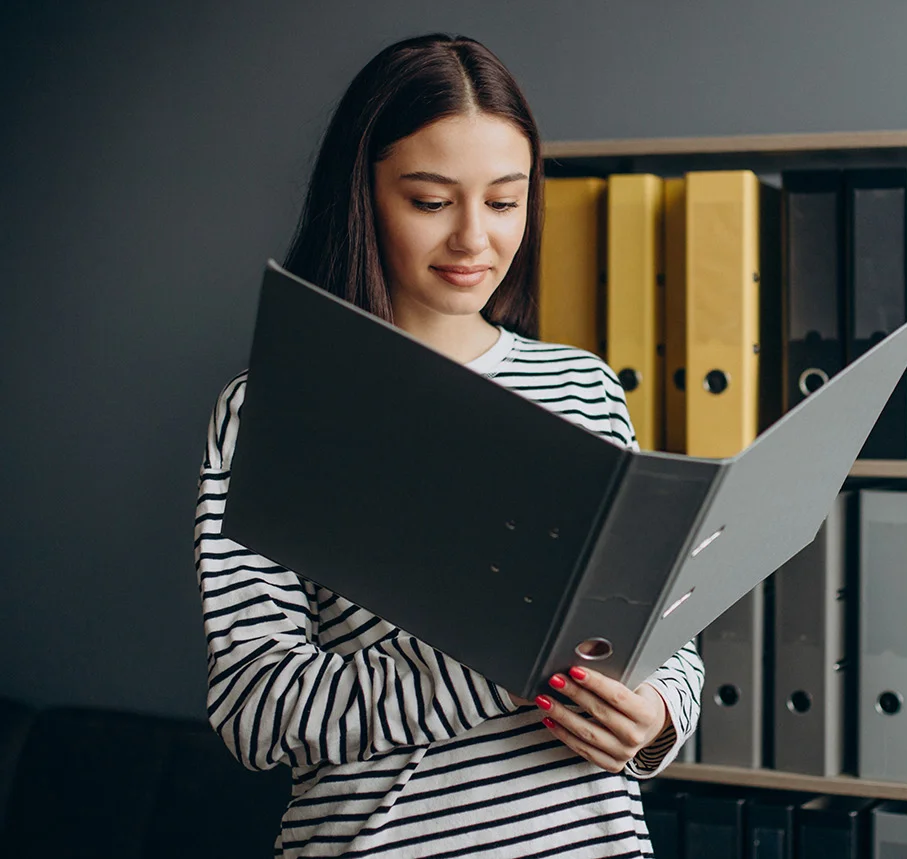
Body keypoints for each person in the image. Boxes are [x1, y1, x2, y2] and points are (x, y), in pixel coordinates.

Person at [194, 33, 703, 858]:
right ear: (361, 196)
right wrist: (504, 663)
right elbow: (257, 708)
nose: (475, 240)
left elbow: (666, 635)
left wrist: (657, 719)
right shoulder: (274, 410)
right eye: (432, 201)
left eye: (505, 202)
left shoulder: (585, 388)